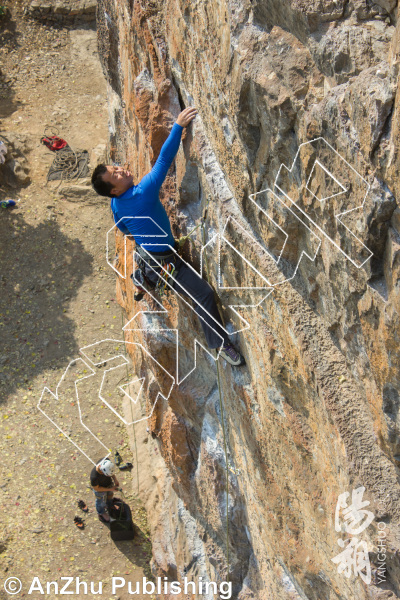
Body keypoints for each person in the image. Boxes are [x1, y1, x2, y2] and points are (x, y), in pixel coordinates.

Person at [91, 107, 245, 366]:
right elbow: (163, 161)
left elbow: (124, 230)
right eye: (115, 175)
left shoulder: (117, 206)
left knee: (192, 288)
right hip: (164, 264)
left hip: (154, 257)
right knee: (204, 294)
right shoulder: (143, 193)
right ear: (114, 190)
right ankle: (221, 345)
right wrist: (178, 126)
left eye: (116, 167)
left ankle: (143, 277)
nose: (121, 170)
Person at [90, 457, 120, 523]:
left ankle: (109, 504)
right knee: (100, 501)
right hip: (100, 489)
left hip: (108, 483)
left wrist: (115, 479)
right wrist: (110, 488)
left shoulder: (106, 461)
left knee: (110, 494)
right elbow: (96, 488)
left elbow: (111, 472)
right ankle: (101, 512)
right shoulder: (94, 476)